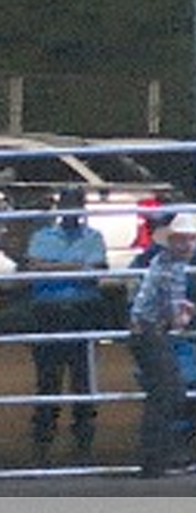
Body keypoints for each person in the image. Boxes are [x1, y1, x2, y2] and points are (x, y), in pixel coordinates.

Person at [24, 186, 109, 464]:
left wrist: (53, 267)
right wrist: (77, 267)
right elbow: (35, 266)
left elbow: (96, 270)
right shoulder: (45, 236)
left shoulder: (91, 236)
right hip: (50, 311)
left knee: (82, 377)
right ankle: (44, 437)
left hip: (80, 310)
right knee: (48, 378)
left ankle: (82, 437)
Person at [128, 212, 196, 478]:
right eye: (182, 240)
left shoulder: (163, 263)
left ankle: (154, 457)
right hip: (150, 332)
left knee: (164, 392)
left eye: (190, 240)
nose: (187, 246)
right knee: (169, 392)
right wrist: (186, 314)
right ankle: (155, 457)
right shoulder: (171, 267)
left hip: (146, 331)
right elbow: (176, 320)